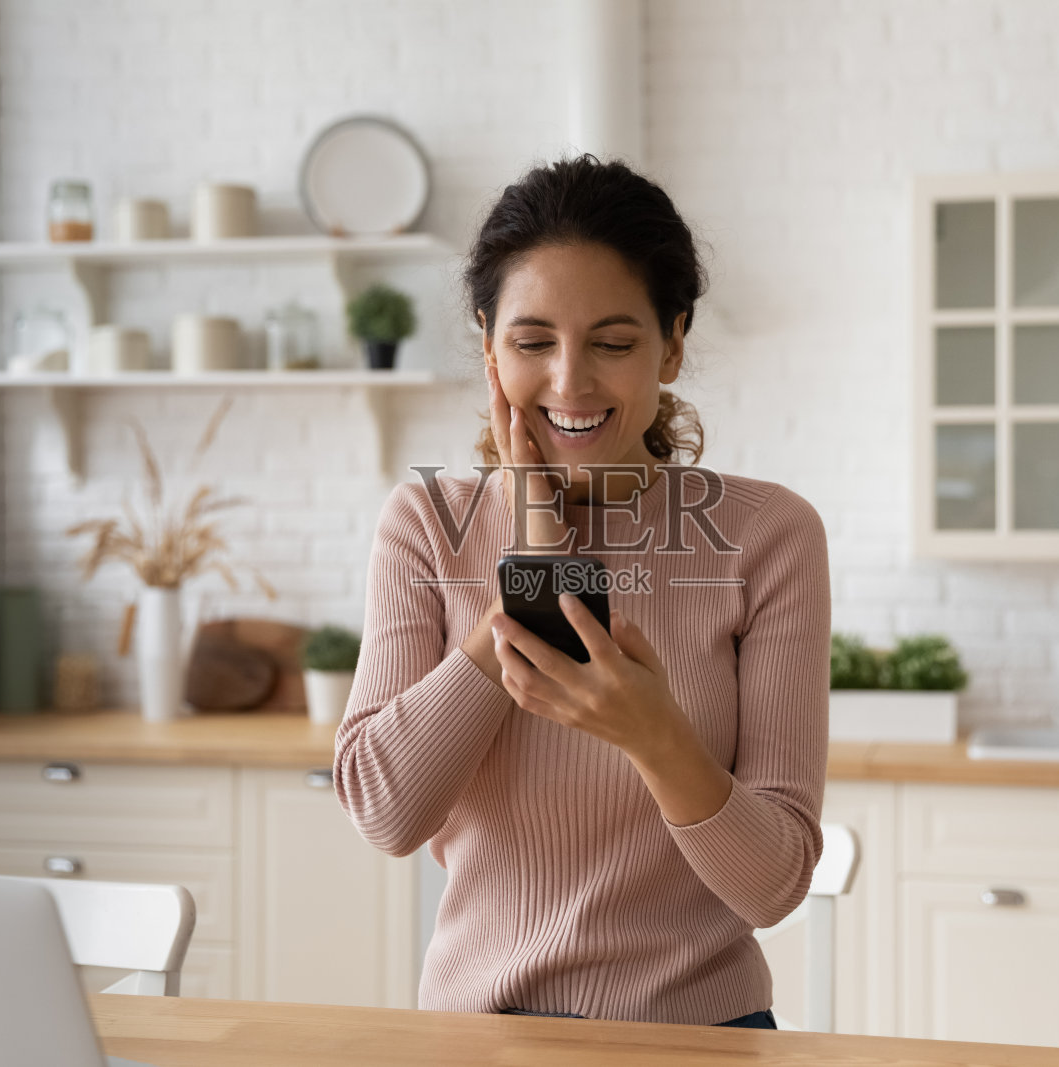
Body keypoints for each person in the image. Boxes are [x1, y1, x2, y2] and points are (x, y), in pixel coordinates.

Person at [332, 154, 830, 1029]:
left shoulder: (768, 537)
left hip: (699, 1040)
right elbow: (385, 811)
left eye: (613, 342)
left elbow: (772, 885)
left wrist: (653, 734)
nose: (569, 381)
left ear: (672, 343)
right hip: (478, 1035)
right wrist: (535, 562)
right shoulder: (424, 523)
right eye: (533, 342)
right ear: (489, 345)